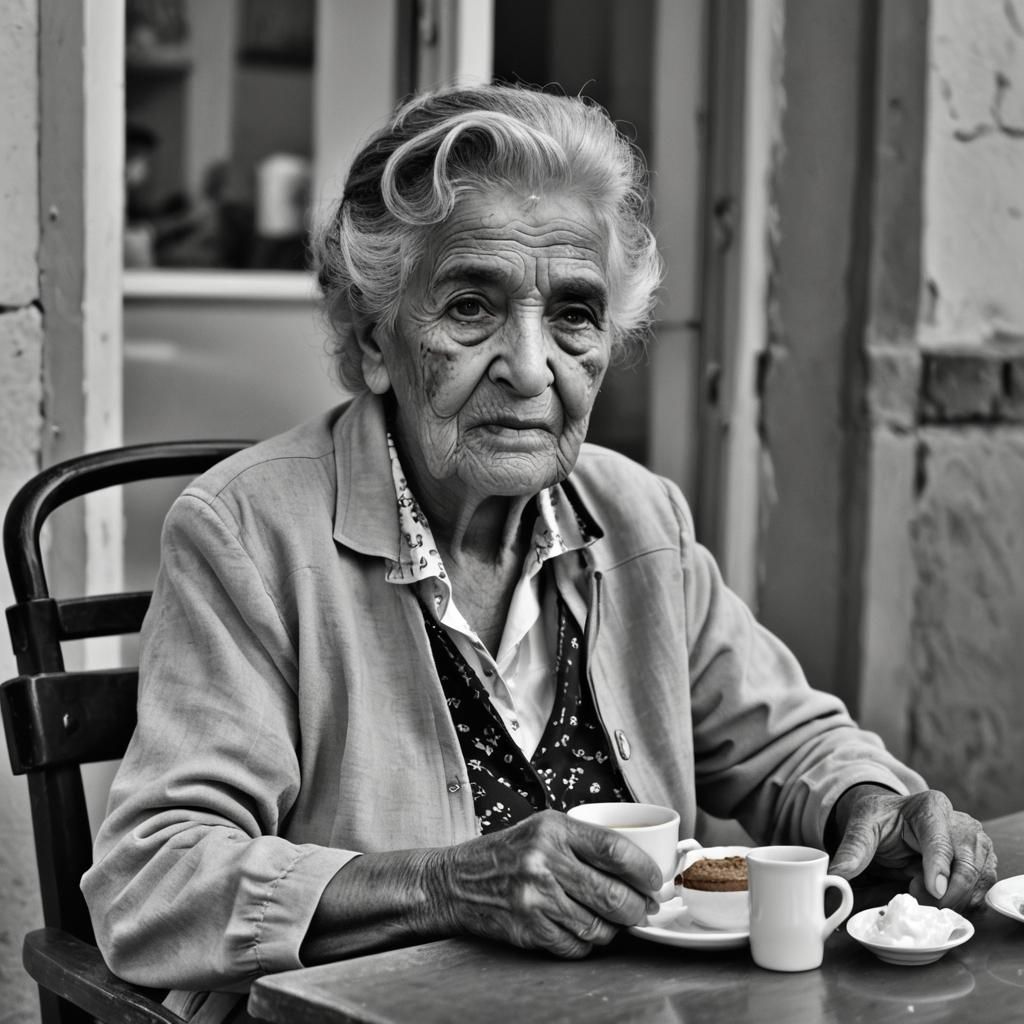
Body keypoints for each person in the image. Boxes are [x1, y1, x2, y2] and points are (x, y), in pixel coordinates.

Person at [83, 84, 996, 1021]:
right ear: (372, 340)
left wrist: (866, 806)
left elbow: (789, 741)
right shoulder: (246, 535)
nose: (530, 368)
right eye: (472, 308)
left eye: (574, 314)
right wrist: (441, 885)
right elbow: (155, 880)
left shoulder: (639, 516)